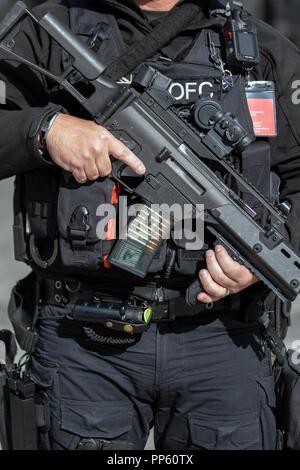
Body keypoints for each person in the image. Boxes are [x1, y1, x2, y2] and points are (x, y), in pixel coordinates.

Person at [0, 0, 299, 450]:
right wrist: (46, 130)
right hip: (82, 342)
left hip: (223, 343)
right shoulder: (49, 33)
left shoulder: (260, 50)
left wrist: (260, 262)